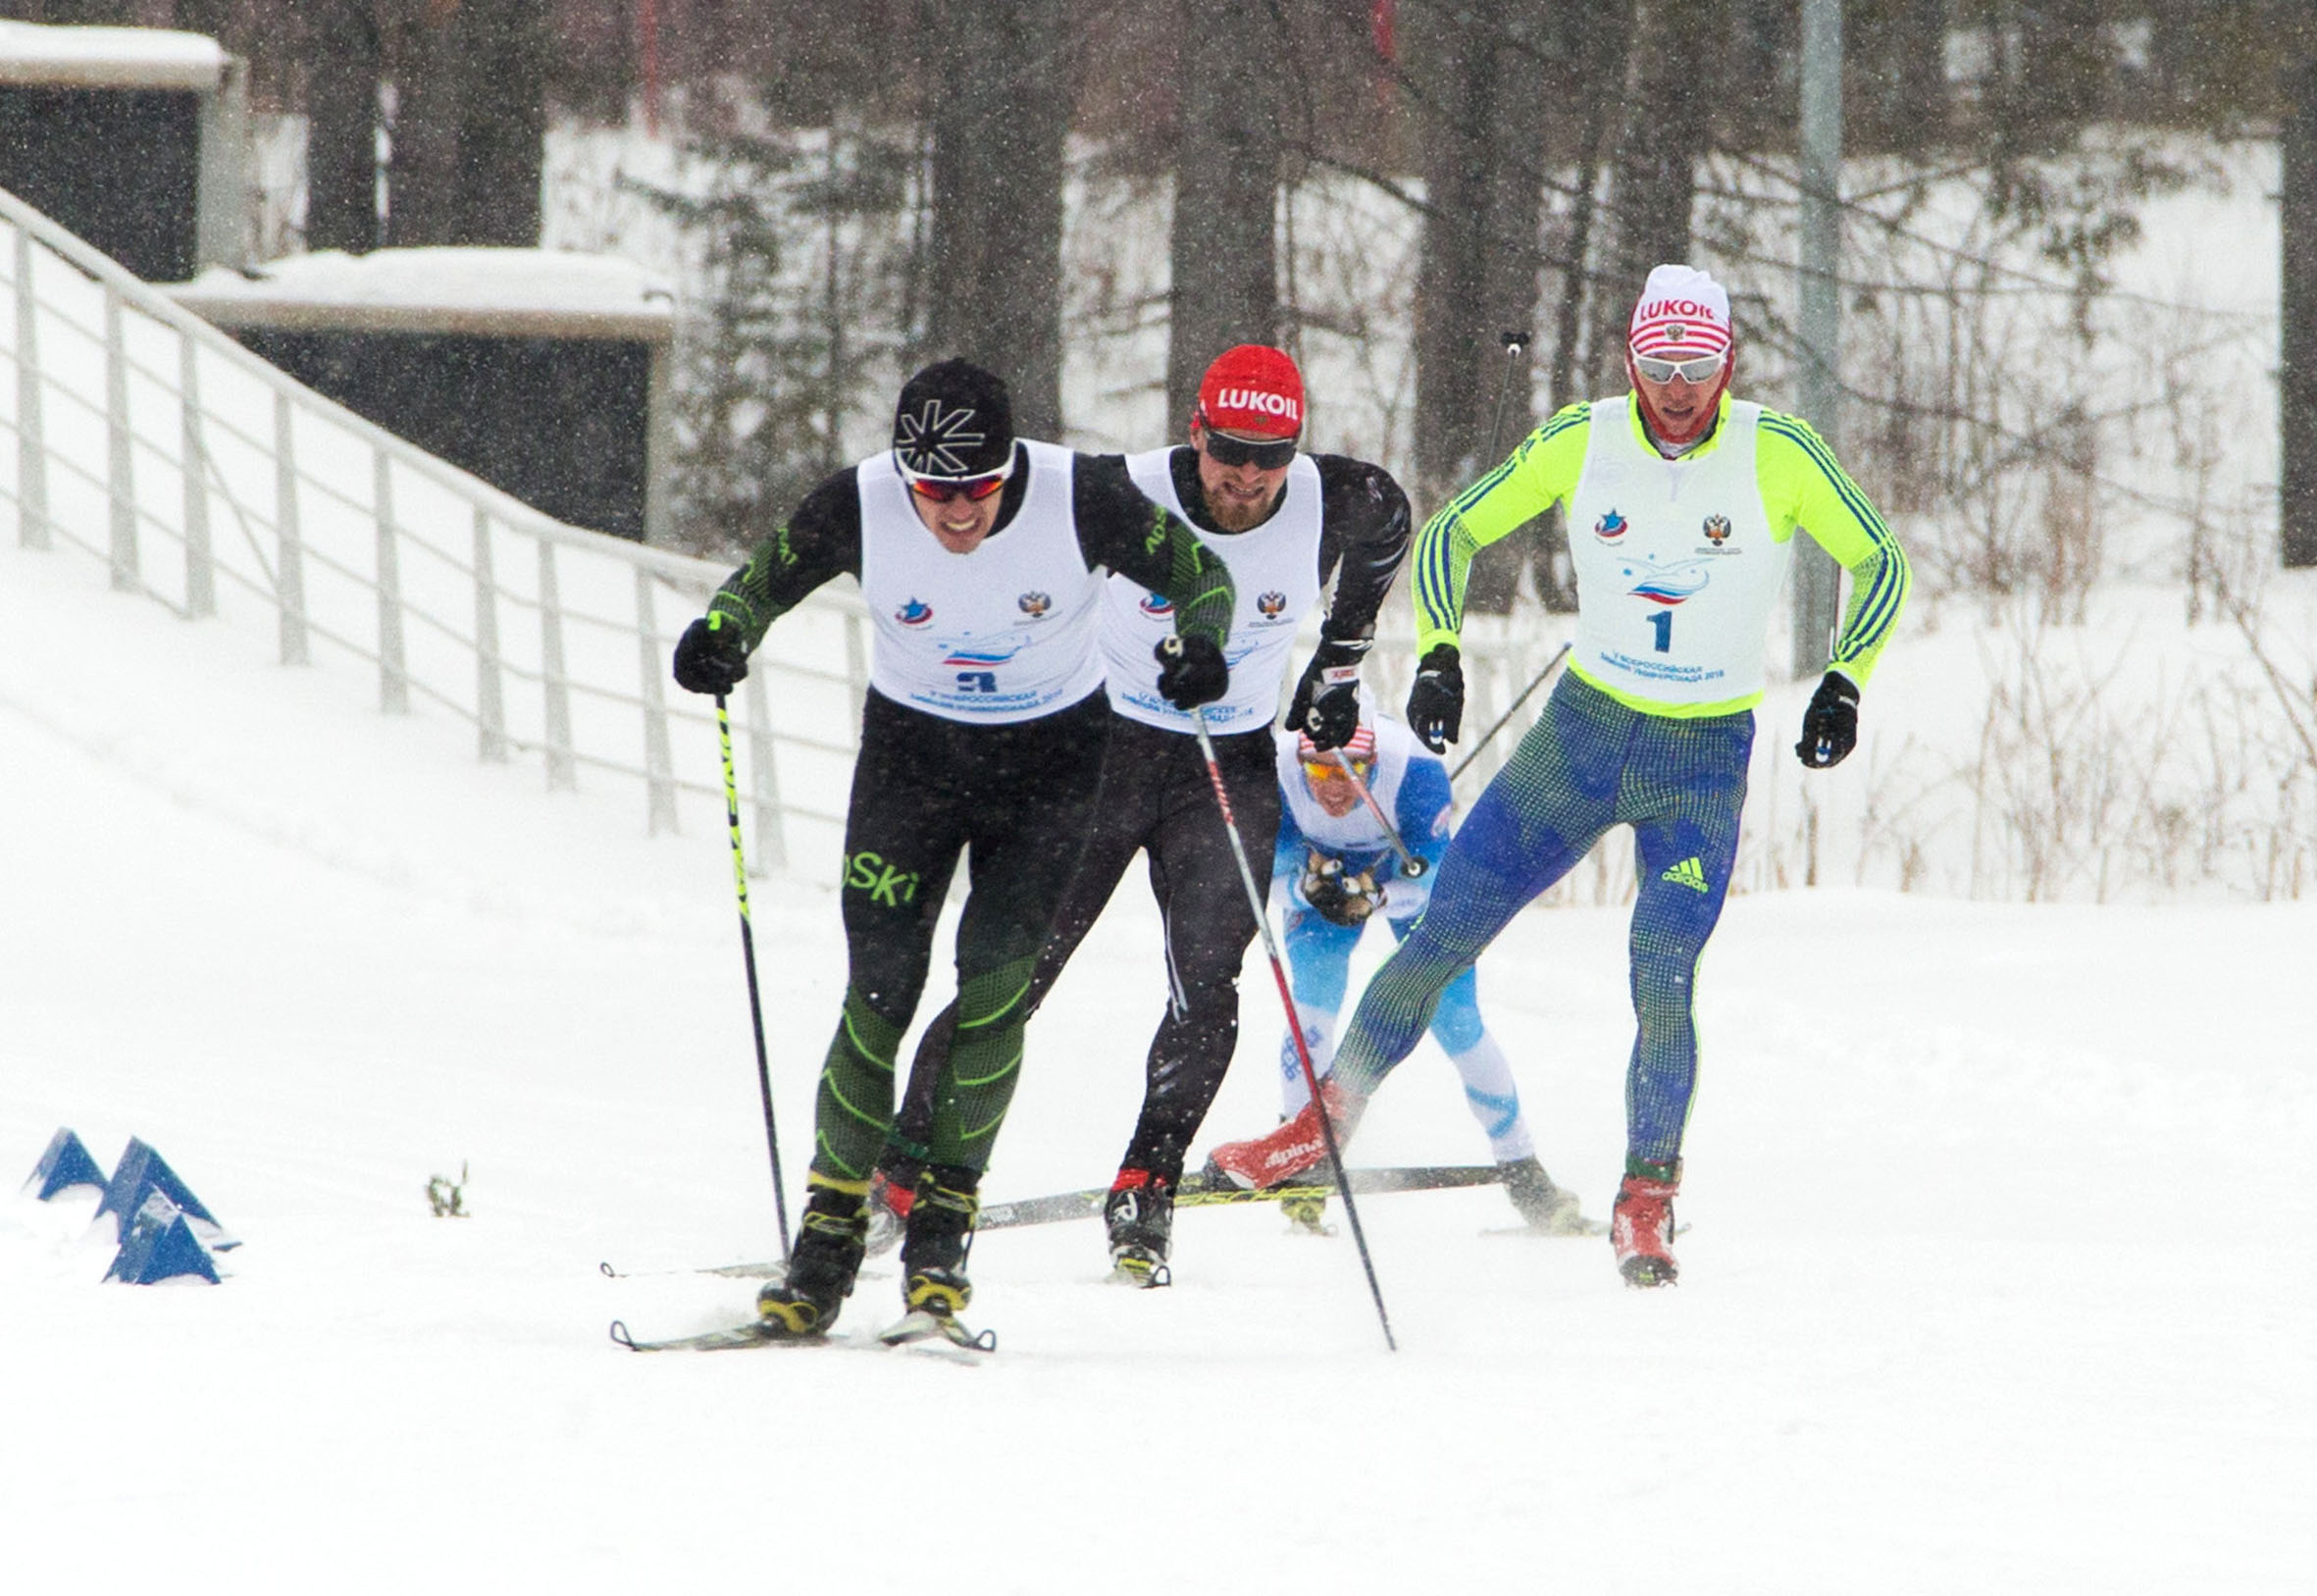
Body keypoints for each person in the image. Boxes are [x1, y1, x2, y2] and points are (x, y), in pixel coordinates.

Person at [1207, 265, 1912, 1288]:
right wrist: (1439, 649)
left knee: (1661, 974)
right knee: (1443, 930)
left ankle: (1645, 1197)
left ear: (1727, 363)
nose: (1676, 388)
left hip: (1701, 757)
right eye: (1657, 365)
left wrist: (1844, 680)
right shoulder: (1585, 437)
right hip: (1580, 736)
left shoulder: (1778, 451)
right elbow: (1453, 530)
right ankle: (1318, 1130)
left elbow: (1881, 560)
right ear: (1630, 358)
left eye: (1697, 366)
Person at [669, 358, 1238, 1338]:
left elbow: (1202, 574)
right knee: (879, 991)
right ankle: (825, 1242)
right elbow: (759, 581)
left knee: (993, 989)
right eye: (933, 491)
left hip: (1051, 766)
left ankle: (941, 1234)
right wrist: (722, 632)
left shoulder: (1078, 497)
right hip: (911, 763)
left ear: (1008, 464)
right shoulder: (862, 500)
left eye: (974, 489)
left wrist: (1200, 642)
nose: (955, 513)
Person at [872, 344, 1413, 1286]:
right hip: (1103, 754)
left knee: (1208, 984)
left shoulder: (1340, 499)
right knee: (1015, 972)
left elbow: (1390, 528)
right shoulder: (1119, 489)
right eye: (1228, 450)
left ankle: (1146, 1184)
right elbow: (991, 505)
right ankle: (900, 1170)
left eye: (1270, 454)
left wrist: (1336, 671)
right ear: (1194, 432)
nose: (1246, 475)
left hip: (1225, 764)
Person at [1268, 715, 1593, 1236]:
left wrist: (1377, 896)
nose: (1332, 791)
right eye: (1320, 774)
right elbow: (1268, 881)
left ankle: (1525, 1174)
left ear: (1373, 764)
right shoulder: (1279, 768)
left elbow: (1437, 887)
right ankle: (1302, 1161)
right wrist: (1310, 892)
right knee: (1311, 1006)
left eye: (1350, 774)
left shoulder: (1416, 771)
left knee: (1458, 1022)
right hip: (1319, 871)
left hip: (1402, 877)